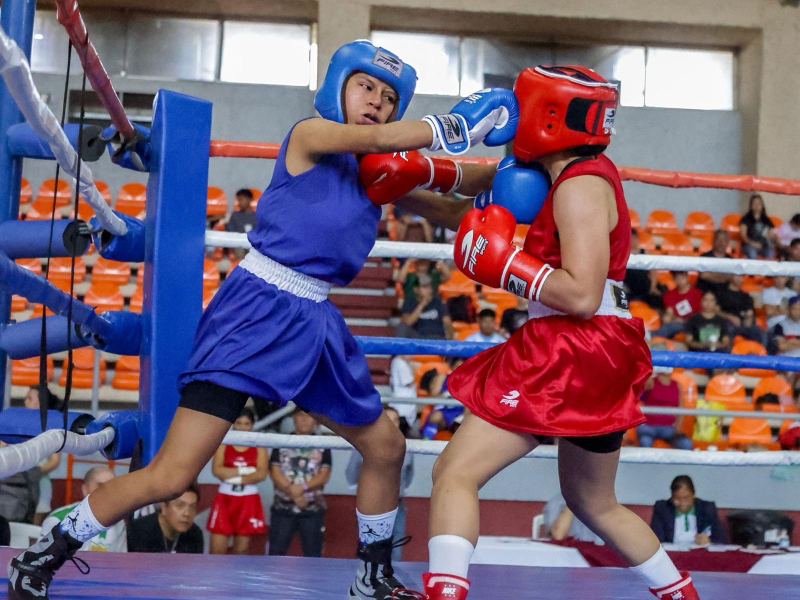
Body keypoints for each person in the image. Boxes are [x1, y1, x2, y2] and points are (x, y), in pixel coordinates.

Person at [8, 39, 518, 600]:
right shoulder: (310, 135)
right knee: (171, 476)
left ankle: (372, 577)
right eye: (366, 86)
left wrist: (519, 173)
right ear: (339, 87)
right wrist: (453, 125)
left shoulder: (380, 172)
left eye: (388, 96)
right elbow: (377, 137)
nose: (375, 101)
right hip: (257, 309)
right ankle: (46, 551)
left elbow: (453, 204)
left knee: (385, 447)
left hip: (316, 319)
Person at [400, 66, 700, 599]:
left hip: (572, 344)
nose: (513, 116)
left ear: (548, 113)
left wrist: (507, 266)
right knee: (593, 501)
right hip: (601, 346)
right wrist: (401, 184)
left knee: (454, 474)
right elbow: (471, 205)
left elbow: (581, 294)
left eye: (523, 104)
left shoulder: (579, 184)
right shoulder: (561, 172)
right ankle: (682, 594)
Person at [347, 407, 415, 562]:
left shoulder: (406, 447)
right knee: (369, 549)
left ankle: (393, 582)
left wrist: (400, 491)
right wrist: (362, 496)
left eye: (395, 420)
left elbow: (409, 475)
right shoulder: (363, 444)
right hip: (371, 507)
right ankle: (366, 582)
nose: (391, 424)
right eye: (388, 419)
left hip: (398, 505)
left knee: (396, 550)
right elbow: (351, 474)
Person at [268, 411, 331, 558]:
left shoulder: (324, 444)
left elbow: (324, 476)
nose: (304, 420)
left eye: (309, 416)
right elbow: (275, 472)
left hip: (312, 510)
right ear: (294, 418)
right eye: (300, 416)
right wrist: (294, 493)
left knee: (313, 556)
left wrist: (301, 488)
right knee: (275, 555)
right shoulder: (281, 442)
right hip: (282, 508)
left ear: (315, 420)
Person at [207, 407, 268, 555]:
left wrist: (232, 475)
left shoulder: (259, 445)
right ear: (233, 424)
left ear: (252, 425)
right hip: (225, 497)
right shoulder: (224, 442)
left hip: (248, 499)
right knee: (217, 551)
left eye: (246, 423)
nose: (242, 427)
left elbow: (261, 474)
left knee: (241, 551)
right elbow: (217, 471)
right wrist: (244, 471)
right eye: (239, 423)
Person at [41, 467, 125, 552]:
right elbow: (40, 559)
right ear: (85, 490)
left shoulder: (118, 521)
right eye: (101, 486)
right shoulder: (58, 520)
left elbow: (122, 561)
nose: (108, 492)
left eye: (113, 486)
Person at [649, 476, 726, 546]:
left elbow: (721, 540)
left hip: (699, 555)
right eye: (677, 499)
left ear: (693, 495)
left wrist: (709, 540)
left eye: (686, 498)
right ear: (671, 497)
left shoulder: (707, 508)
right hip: (671, 555)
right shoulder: (662, 508)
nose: (682, 503)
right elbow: (655, 539)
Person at [127, 484, 204, 554]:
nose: (187, 513)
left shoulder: (195, 535)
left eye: (192, 507)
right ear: (163, 507)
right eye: (180, 505)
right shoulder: (139, 532)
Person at [24, 386, 61, 526]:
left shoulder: (50, 429)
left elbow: (55, 460)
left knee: (33, 527)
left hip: (40, 484)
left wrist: (35, 473)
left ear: (40, 403)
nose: (25, 402)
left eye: (29, 399)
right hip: (18, 483)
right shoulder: (19, 424)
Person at [635, 368, 692, 450]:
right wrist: (652, 371)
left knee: (686, 444)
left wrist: (678, 428)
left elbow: (681, 408)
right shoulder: (651, 382)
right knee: (645, 442)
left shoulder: (677, 385)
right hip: (649, 427)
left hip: (669, 428)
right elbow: (640, 385)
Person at [397, 274, 454, 339]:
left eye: (429, 287)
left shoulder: (437, 302)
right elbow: (408, 322)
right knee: (401, 327)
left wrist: (450, 340)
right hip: (418, 337)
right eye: (424, 287)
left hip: (436, 337)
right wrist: (422, 304)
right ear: (416, 289)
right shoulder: (410, 302)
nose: (428, 290)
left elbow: (447, 321)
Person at [653, 271, 702, 339]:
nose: (680, 281)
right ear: (674, 280)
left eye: (682, 278)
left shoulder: (698, 293)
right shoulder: (669, 295)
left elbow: (701, 314)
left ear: (687, 277)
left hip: (693, 323)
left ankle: (651, 335)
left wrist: (685, 320)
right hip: (676, 323)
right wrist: (668, 317)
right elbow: (669, 312)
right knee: (670, 324)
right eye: (677, 278)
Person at [624, 229, 664, 309]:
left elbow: (652, 272)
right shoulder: (624, 254)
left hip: (644, 287)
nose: (633, 241)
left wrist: (653, 287)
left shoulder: (644, 252)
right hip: (629, 287)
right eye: (631, 238)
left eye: (635, 238)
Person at [739, 194, 776, 259]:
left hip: (763, 246)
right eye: (754, 204)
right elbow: (744, 236)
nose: (757, 206)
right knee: (752, 252)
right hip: (749, 245)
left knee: (770, 252)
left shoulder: (766, 219)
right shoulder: (745, 219)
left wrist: (771, 235)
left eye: (759, 204)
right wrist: (753, 244)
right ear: (750, 206)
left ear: (762, 205)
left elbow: (772, 232)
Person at [696, 229, 732, 297]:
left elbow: (731, 277)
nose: (721, 243)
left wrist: (712, 275)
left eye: (724, 240)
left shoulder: (731, 260)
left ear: (727, 242)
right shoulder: (704, 257)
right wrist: (722, 276)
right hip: (705, 294)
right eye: (718, 239)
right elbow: (704, 275)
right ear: (713, 241)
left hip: (723, 295)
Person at [226, 189, 258, 260]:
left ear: (249, 200)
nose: (239, 203)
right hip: (239, 243)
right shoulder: (235, 215)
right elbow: (230, 231)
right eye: (238, 200)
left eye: (241, 200)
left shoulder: (257, 216)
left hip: (253, 245)